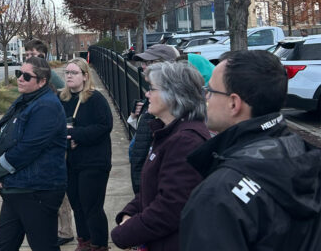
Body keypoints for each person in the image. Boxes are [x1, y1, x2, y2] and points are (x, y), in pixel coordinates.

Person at [180, 50, 321, 250]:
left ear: (234, 103)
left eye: (210, 90)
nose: (206, 98)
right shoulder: (306, 156)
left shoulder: (218, 196)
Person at [111, 62, 210, 251]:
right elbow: (153, 188)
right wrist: (129, 213)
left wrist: (125, 233)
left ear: (173, 95)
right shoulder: (170, 133)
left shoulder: (186, 141)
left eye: (151, 89)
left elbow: (171, 207)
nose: (147, 95)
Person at [0, 56, 67, 250]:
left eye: (26, 76)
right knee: (5, 245)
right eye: (18, 73)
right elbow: (3, 138)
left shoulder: (47, 106)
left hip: (37, 191)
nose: (20, 79)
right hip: (15, 188)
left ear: (42, 81)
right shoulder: (25, 100)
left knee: (43, 246)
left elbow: (26, 150)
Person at [59, 58, 113, 251]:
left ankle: (99, 245)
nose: (69, 76)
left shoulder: (95, 98)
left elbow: (104, 126)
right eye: (67, 72)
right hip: (71, 162)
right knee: (77, 205)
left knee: (92, 206)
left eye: (74, 72)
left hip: (94, 162)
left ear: (85, 76)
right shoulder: (63, 99)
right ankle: (85, 240)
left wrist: (75, 134)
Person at [24, 38, 71, 244]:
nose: (28, 57)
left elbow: (67, 97)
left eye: (32, 54)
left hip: (53, 139)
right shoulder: (31, 75)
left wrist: (66, 124)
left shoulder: (50, 77)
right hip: (39, 136)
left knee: (56, 184)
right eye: (26, 55)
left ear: (42, 56)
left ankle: (66, 230)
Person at [128, 44, 179, 195]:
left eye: (150, 63)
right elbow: (140, 140)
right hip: (143, 185)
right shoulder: (152, 97)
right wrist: (134, 116)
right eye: (144, 63)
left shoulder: (173, 103)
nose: (144, 67)